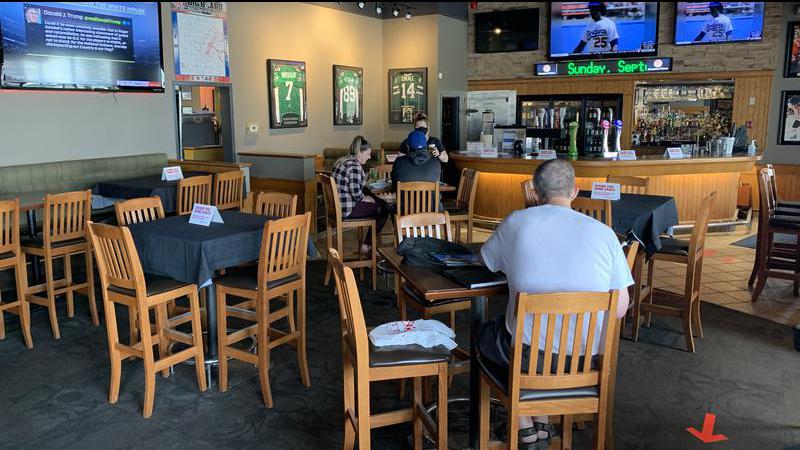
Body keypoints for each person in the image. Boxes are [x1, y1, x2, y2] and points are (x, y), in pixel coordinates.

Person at [478, 159, 633, 447]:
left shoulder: (516, 222)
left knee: (486, 336)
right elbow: (621, 308)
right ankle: (540, 422)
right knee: (539, 340)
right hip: (587, 362)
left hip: (529, 360)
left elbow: (487, 262)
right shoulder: (604, 233)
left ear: (535, 193)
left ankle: (524, 426)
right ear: (575, 191)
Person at [331, 136, 389, 254]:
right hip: (347, 210)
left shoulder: (341, 160)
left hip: (336, 207)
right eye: (367, 154)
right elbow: (356, 193)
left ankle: (368, 245)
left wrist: (364, 181)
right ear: (359, 152)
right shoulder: (354, 166)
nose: (369, 157)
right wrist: (364, 198)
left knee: (377, 202)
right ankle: (367, 245)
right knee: (384, 208)